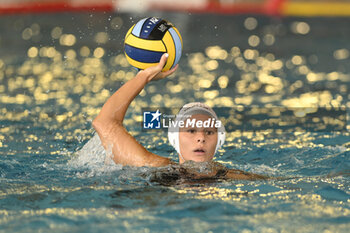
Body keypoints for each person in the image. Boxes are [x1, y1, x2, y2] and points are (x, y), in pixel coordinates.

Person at [93, 53, 267, 181]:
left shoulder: (235, 177)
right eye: (191, 130)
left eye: (209, 132)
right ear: (174, 138)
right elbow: (104, 122)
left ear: (219, 139)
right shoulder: (153, 166)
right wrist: (143, 76)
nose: (201, 138)